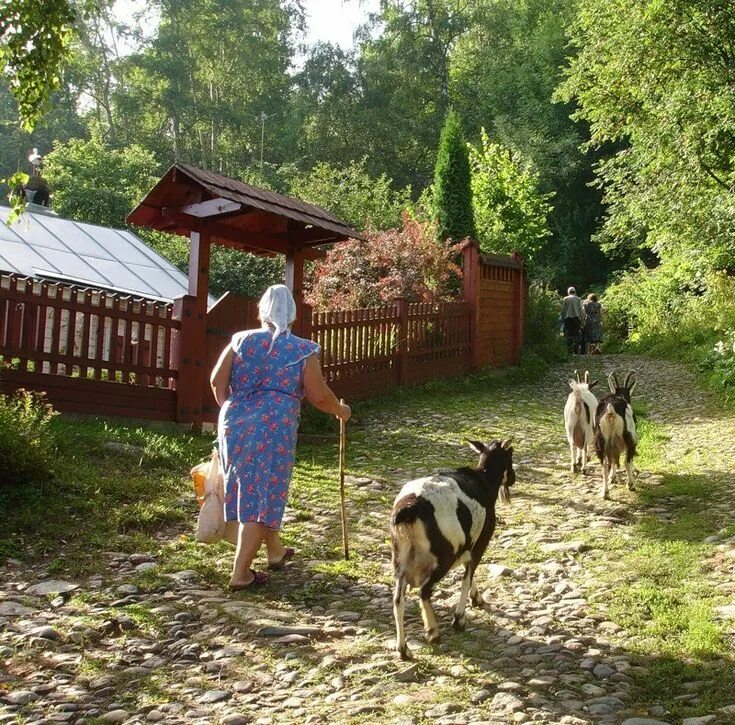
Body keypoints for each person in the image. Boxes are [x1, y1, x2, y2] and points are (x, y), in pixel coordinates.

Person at [210, 284, 351, 591]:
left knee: (252, 487)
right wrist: (340, 410)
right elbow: (317, 395)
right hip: (274, 425)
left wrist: (233, 412)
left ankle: (275, 551)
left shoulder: (240, 341)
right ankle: (241, 573)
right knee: (265, 494)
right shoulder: (301, 350)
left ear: (262, 311)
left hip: (234, 422)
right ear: (293, 315)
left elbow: (216, 382)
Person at [561, 286, 586, 354]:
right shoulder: (578, 299)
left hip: (568, 319)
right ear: (575, 292)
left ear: (568, 292)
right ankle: (576, 348)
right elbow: (580, 310)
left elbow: (563, 310)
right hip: (576, 319)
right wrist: (582, 320)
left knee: (568, 334)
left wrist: (562, 319)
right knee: (576, 334)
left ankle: (569, 350)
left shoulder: (566, 298)